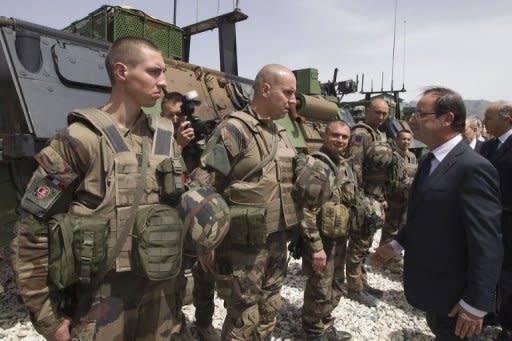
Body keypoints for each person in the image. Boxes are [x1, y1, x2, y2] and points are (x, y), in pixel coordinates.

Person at [10, 37, 199, 340]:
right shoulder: (80, 139)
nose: (163, 83)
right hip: (102, 305)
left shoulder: (165, 138)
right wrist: (49, 319)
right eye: (154, 72)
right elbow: (32, 229)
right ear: (122, 71)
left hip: (163, 301)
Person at [371, 87, 503, 340]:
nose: (411, 120)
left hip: (457, 298)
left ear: (447, 119)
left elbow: (487, 242)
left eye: (421, 114)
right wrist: (397, 244)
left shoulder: (473, 168)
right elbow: (425, 215)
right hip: (434, 291)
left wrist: (476, 303)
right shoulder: (429, 161)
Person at [193, 64, 300, 340]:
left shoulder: (281, 134)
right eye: (287, 93)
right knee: (244, 316)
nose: (293, 100)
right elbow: (203, 185)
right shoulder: (234, 130)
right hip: (243, 246)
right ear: (266, 89)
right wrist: (206, 241)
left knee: (269, 308)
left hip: (276, 240)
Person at [161, 90, 219, 341]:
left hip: (197, 217)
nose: (177, 120)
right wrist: (177, 146)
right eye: (171, 115)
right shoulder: (157, 138)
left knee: (205, 274)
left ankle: (204, 323)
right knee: (171, 281)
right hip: (168, 221)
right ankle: (175, 327)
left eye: (180, 115)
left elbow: (209, 176)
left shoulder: (197, 137)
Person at [299, 120, 354, 341]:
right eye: (335, 135)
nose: (340, 140)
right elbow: (306, 211)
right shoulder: (317, 166)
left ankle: (325, 323)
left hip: (339, 239)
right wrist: (316, 247)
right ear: (324, 135)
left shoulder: (343, 165)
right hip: (322, 241)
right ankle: (312, 331)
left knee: (336, 284)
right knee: (319, 288)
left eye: (344, 137)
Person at [345, 97, 393, 307]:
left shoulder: (379, 133)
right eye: (377, 112)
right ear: (367, 111)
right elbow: (355, 166)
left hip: (376, 196)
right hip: (365, 197)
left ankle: (362, 282)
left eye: (384, 113)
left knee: (365, 243)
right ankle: (354, 287)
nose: (381, 116)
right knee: (358, 243)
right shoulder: (361, 133)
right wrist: (360, 198)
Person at [481, 101, 512, 340]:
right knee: (489, 267)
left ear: (507, 118)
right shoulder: (489, 146)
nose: (484, 123)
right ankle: (490, 310)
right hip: (489, 221)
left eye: (489, 118)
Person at [379, 129, 417, 273]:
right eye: (403, 139)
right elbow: (384, 179)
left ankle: (395, 256)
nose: (406, 142)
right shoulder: (391, 157)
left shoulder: (412, 157)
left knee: (403, 229)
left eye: (408, 139)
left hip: (406, 199)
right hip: (393, 198)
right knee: (390, 229)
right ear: (397, 140)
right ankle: (385, 258)